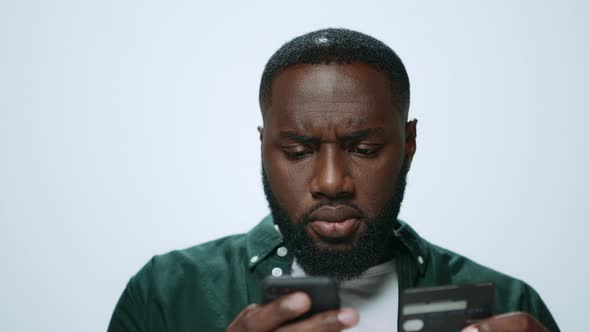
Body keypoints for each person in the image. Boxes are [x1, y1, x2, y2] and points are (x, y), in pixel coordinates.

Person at [107, 28, 559, 332]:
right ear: (263, 147)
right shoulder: (165, 294)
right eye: (297, 152)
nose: (330, 182)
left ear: (409, 143)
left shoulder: (509, 303)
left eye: (363, 150)